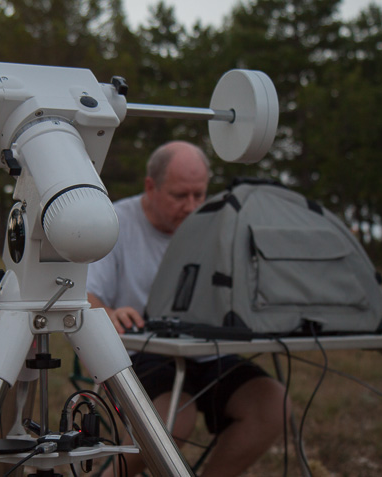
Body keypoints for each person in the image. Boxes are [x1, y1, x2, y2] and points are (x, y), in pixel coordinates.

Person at [87, 141, 288, 477]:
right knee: (175, 420)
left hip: (208, 352)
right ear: (151, 186)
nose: (192, 206)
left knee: (271, 404)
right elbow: (86, 296)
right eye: (180, 196)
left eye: (200, 195)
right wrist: (109, 313)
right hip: (138, 352)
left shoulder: (218, 227)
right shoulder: (113, 224)